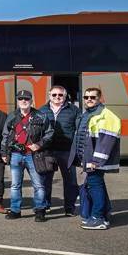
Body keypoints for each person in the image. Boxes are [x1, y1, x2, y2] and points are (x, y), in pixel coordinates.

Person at [70, 87, 121, 230]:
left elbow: (106, 142)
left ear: (100, 98)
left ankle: (98, 218)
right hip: (87, 159)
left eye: (93, 97)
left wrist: (96, 162)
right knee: (97, 185)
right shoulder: (87, 114)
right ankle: (104, 213)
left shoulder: (106, 115)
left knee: (95, 186)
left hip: (95, 161)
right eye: (86, 97)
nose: (89, 100)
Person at [0, 90, 54, 222]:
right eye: (20, 99)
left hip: (34, 155)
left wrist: (39, 144)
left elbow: (50, 133)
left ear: (31, 101)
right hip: (15, 154)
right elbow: (5, 136)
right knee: (15, 185)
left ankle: (40, 210)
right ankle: (15, 210)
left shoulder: (40, 116)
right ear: (17, 101)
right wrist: (3, 152)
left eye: (26, 99)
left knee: (38, 185)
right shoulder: (12, 116)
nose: (23, 101)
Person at [39, 85, 81, 215]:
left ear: (65, 95)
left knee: (70, 181)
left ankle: (69, 208)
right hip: (47, 151)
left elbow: (79, 131)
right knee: (45, 180)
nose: (57, 97)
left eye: (60, 95)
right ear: (49, 95)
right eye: (54, 95)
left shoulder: (74, 110)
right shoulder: (42, 110)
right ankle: (45, 205)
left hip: (67, 151)